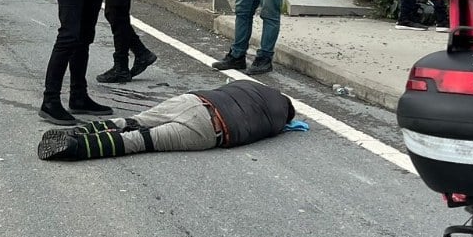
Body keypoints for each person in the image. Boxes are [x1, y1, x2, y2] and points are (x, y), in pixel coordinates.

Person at [37, 80, 298, 161]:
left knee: (134, 120)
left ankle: (79, 130)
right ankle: (77, 148)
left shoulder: (253, 86)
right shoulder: (277, 122)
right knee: (139, 141)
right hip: (209, 129)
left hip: (192, 101)